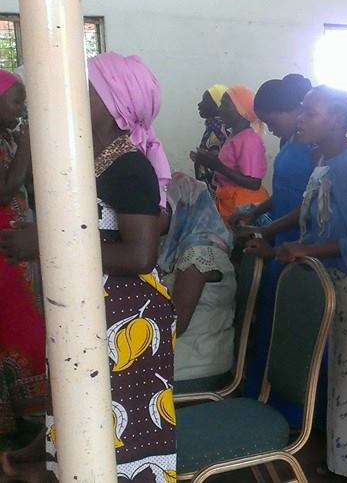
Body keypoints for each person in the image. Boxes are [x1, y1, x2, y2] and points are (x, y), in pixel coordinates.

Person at [0, 52, 177, 482]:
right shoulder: (94, 161)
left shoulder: (130, 167)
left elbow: (140, 256)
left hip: (127, 322)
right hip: (91, 311)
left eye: (86, 88)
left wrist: (46, 244)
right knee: (83, 426)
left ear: (110, 102)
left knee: (122, 439)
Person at [245, 86, 347, 480]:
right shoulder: (327, 161)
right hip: (337, 281)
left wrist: (304, 250)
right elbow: (313, 213)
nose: (301, 119)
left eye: (310, 112)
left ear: (338, 120)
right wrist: (277, 242)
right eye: (302, 111)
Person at [229, 74, 316, 402]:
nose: (269, 127)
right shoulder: (288, 142)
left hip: (298, 238)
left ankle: (293, 406)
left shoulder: (314, 148)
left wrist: (268, 230)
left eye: (272, 120)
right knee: (273, 314)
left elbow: (309, 204)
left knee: (294, 322)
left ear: (294, 110)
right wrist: (255, 213)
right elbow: (283, 192)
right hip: (279, 234)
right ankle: (262, 393)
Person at [0, 70, 44, 446]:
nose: (21, 108)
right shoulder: (15, 141)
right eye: (16, 101)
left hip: (16, 248)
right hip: (3, 252)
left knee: (22, 323)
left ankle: (26, 413)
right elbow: (3, 190)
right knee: (17, 325)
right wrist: (28, 146)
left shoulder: (8, 139)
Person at [159, 173, 236, 383]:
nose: (150, 218)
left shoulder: (200, 252)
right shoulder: (177, 244)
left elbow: (178, 325)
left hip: (194, 364)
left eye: (161, 210)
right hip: (186, 353)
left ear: (182, 209)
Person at [191, 85, 268, 220]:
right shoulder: (235, 136)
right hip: (231, 203)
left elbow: (254, 183)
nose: (220, 109)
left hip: (244, 207)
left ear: (240, 110)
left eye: (225, 104)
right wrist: (209, 160)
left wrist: (217, 165)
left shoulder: (248, 140)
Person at [194, 84, 230, 193]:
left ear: (218, 106)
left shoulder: (217, 130)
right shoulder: (217, 126)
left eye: (205, 101)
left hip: (216, 189)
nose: (199, 104)